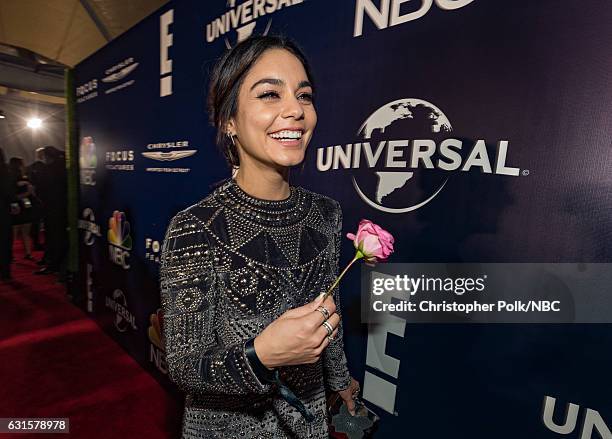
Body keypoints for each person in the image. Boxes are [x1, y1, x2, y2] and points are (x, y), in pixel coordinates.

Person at [159, 35, 360, 438]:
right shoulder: (193, 227)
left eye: (304, 96)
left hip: (308, 421)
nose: (294, 111)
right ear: (229, 121)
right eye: (270, 94)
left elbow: (328, 309)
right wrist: (262, 354)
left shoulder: (326, 213)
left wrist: (339, 379)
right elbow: (184, 365)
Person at [34, 146, 67, 277]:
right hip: (63, 208)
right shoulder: (63, 167)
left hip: (51, 209)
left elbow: (41, 189)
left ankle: (53, 265)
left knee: (53, 238)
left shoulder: (48, 170)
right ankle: (58, 264)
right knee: (60, 237)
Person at [8, 157, 35, 261]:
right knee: (17, 231)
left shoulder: (21, 178)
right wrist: (28, 193)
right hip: (18, 205)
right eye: (22, 164)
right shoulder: (16, 178)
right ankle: (16, 254)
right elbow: (14, 195)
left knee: (20, 231)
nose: (24, 166)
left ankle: (25, 253)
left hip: (21, 205)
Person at [0, 148, 17, 279]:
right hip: (3, 211)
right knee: (5, 242)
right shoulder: (6, 171)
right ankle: (5, 272)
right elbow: (9, 193)